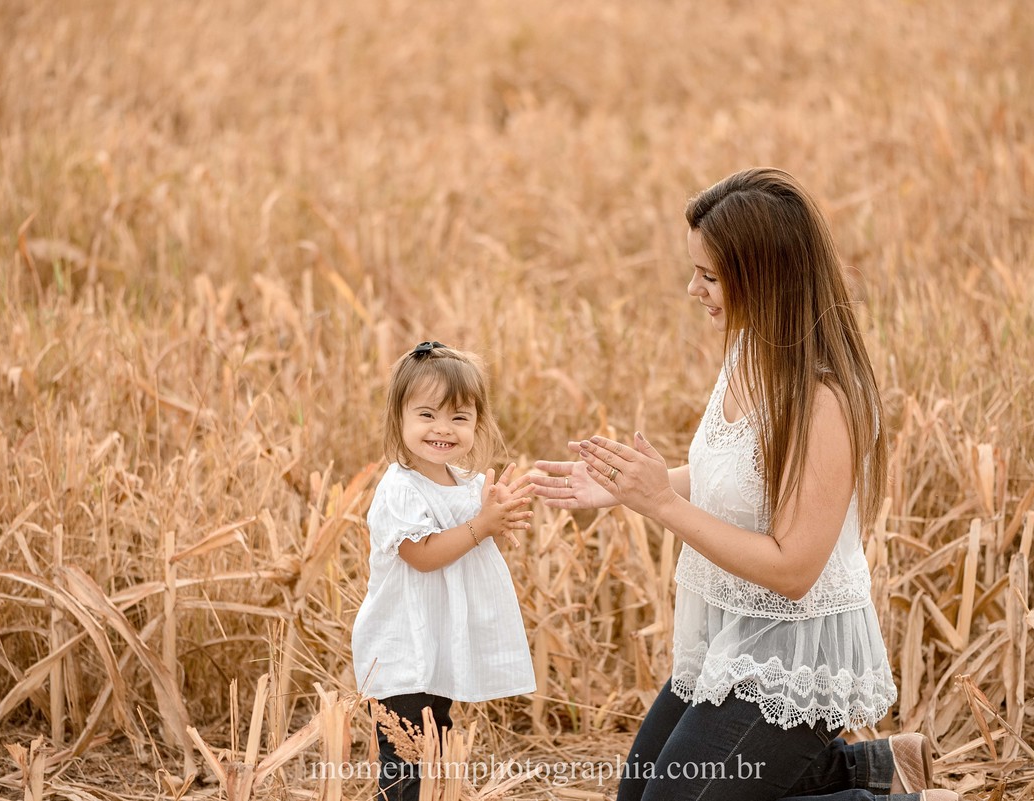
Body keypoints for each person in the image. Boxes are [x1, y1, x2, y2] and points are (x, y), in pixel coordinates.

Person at [531, 169, 956, 801]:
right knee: (637, 797)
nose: (691, 289)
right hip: (734, 637)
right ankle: (871, 769)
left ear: (762, 279)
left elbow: (793, 569)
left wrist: (662, 504)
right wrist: (623, 487)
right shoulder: (749, 350)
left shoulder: (822, 399)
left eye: (707, 276)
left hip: (800, 661)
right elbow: (730, 481)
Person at [351, 341, 536, 801]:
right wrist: (481, 525)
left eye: (459, 417)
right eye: (427, 415)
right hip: (403, 650)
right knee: (408, 767)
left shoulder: (463, 483)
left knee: (436, 752)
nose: (443, 429)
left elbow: (474, 532)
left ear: (478, 423)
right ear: (400, 418)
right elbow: (424, 555)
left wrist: (497, 517)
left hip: (436, 650)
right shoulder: (400, 488)